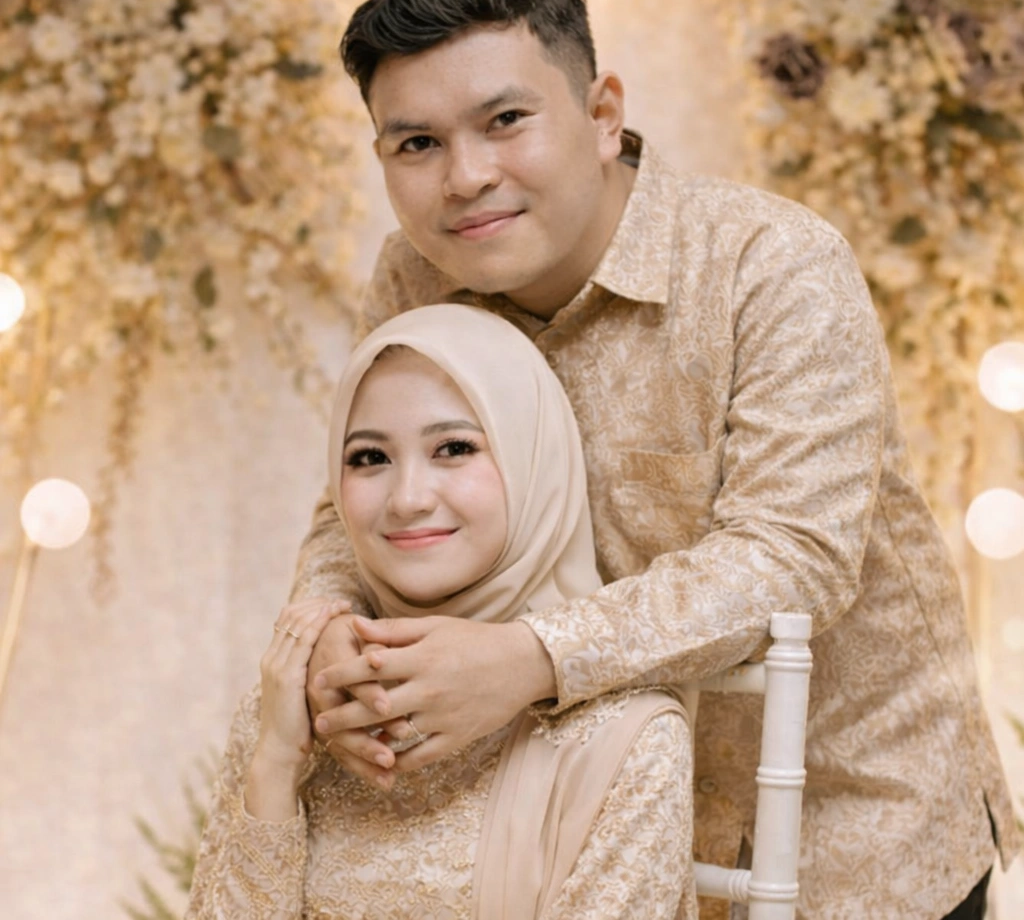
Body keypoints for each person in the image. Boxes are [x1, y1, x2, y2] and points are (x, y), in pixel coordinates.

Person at [291, 0, 1020, 919]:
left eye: (504, 121)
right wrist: (326, 636)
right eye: (416, 143)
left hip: (852, 834)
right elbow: (355, 496)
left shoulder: (771, 264)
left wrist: (530, 659)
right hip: (591, 833)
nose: (464, 176)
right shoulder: (415, 276)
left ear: (602, 116)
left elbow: (793, 556)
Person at [187, 304, 695, 919]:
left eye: (454, 448)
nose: (407, 499)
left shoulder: (625, 742)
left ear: (535, 463)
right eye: (369, 457)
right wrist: (274, 764)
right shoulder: (297, 701)